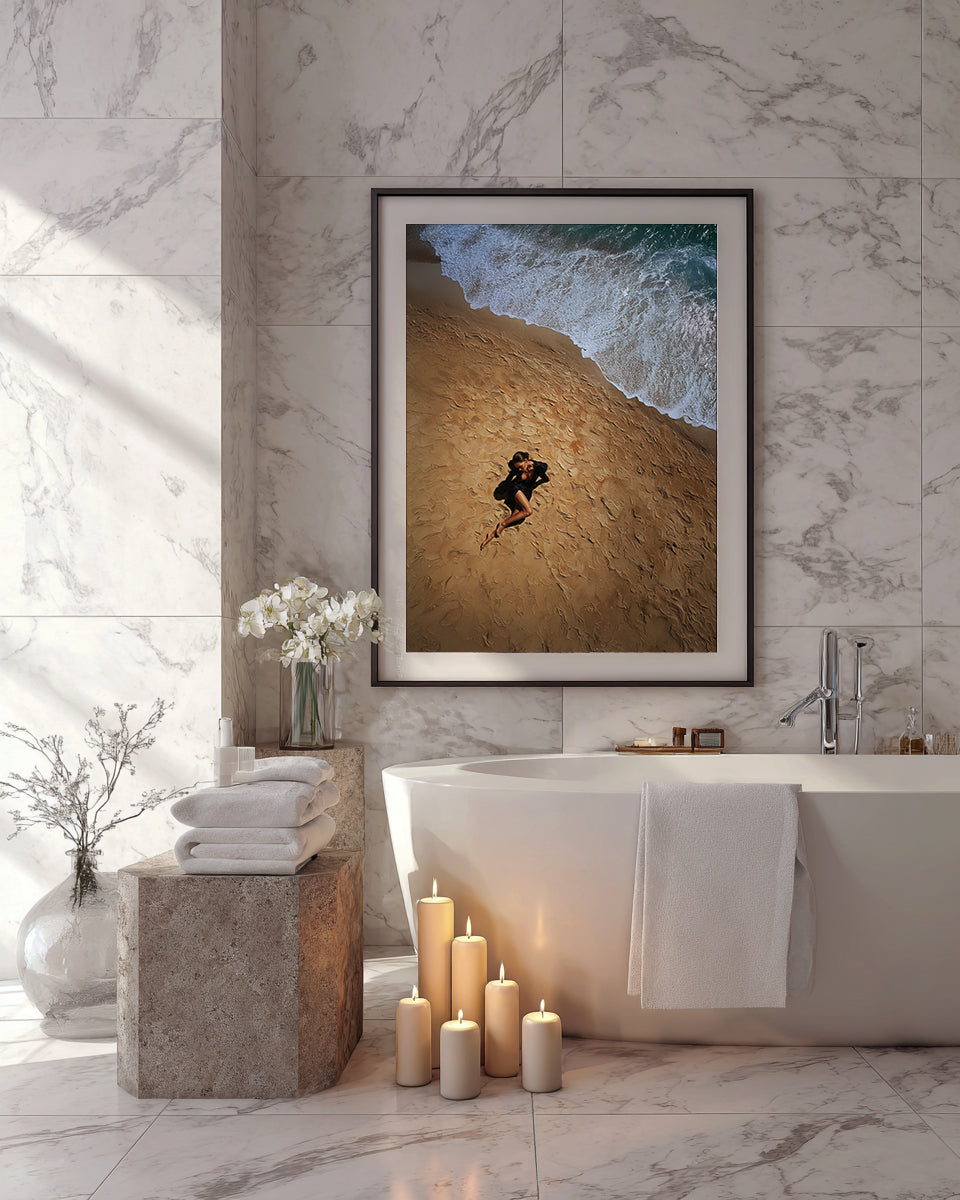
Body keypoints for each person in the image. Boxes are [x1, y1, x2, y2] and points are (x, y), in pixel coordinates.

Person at [481, 451, 549, 550]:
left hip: (526, 492)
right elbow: (509, 479)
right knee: (528, 511)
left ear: (526, 461)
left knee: (516, 517)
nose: (520, 469)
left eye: (521, 466)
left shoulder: (535, 466)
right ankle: (502, 524)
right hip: (516, 489)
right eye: (518, 468)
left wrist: (535, 467)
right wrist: (503, 488)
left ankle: (491, 534)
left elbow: (545, 467)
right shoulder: (517, 470)